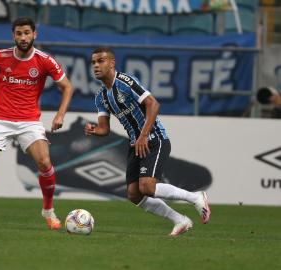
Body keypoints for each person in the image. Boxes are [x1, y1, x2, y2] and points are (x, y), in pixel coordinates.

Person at [0, 17, 73, 230]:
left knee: (45, 163)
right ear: (13, 36)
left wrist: (60, 115)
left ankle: (48, 210)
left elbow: (67, 87)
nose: (23, 37)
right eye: (19, 33)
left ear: (34, 34)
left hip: (29, 121)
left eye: (27, 33)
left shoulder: (44, 60)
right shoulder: (0, 56)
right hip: (0, 119)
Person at [85, 47, 211, 236]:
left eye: (101, 61)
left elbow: (153, 103)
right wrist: (94, 130)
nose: (96, 65)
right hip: (136, 144)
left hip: (154, 138)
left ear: (112, 63)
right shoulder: (101, 97)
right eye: (93, 62)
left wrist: (143, 135)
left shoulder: (125, 82)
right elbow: (105, 128)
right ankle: (180, 220)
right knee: (134, 194)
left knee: (147, 187)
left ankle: (195, 197)